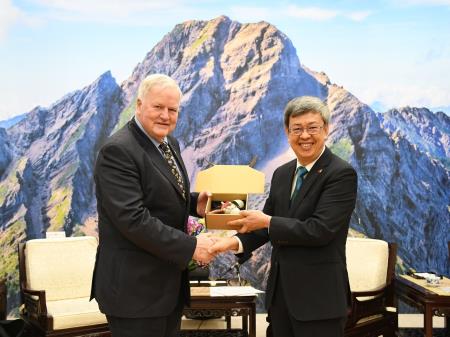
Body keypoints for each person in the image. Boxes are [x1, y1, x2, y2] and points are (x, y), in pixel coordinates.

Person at [209, 96, 358, 337]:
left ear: (326, 130)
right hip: (281, 299)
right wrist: (230, 242)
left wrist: (267, 221)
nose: (305, 136)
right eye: (297, 129)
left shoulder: (341, 174)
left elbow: (319, 230)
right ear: (287, 132)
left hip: (319, 302)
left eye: (312, 128)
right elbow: (262, 225)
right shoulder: (281, 174)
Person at [90, 74, 214, 337]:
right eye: (158, 107)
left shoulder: (170, 143)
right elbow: (133, 219)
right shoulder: (118, 150)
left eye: (173, 110)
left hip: (166, 288)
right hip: (134, 292)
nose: (165, 116)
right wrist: (191, 246)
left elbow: (158, 194)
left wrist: (195, 204)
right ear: (139, 105)